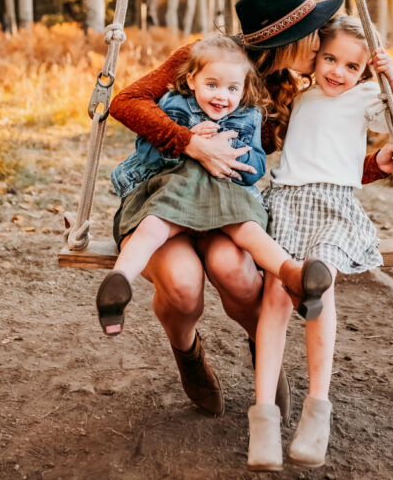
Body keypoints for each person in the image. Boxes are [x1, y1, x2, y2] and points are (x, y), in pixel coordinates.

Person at [108, 0, 393, 418]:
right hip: (167, 193)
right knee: (184, 286)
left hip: (228, 204)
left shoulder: (291, 87)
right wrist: (190, 142)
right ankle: (188, 353)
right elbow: (126, 102)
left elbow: (307, 162)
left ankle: (263, 355)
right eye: (313, 39)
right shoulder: (208, 59)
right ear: (287, 40)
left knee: (236, 271)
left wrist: (374, 167)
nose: (320, 44)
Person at [247, 14, 393, 471]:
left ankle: (317, 410)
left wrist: (390, 75)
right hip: (287, 201)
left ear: (364, 71)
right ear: (315, 57)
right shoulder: (298, 92)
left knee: (320, 285)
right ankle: (264, 417)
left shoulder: (368, 96)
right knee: (275, 294)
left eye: (352, 66)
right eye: (329, 59)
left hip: (334, 204)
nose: (338, 72)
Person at [97, 34, 330, 335]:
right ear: (192, 80)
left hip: (226, 193)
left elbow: (257, 165)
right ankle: (119, 284)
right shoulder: (175, 105)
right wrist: (187, 138)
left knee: (248, 229)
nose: (222, 96)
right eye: (212, 85)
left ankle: (294, 275)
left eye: (232, 88)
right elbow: (146, 150)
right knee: (153, 225)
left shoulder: (248, 115)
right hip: (176, 189)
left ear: (244, 88)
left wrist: (237, 161)